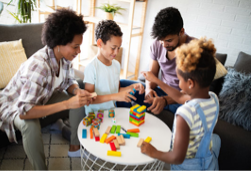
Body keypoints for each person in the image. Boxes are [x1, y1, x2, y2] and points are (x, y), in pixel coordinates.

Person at [0, 8, 93, 171]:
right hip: (14, 104)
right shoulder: (39, 66)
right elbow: (24, 111)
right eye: (75, 46)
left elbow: (68, 81)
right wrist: (66, 105)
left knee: (79, 101)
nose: (79, 51)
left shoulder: (65, 58)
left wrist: (77, 91)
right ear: (59, 43)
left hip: (41, 97)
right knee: (30, 124)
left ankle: (75, 148)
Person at [141, 37, 221, 171]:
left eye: (179, 79)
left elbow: (177, 157)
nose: (178, 83)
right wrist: (157, 81)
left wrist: (153, 152)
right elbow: (179, 96)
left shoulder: (185, 114)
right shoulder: (213, 99)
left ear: (190, 83)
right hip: (207, 161)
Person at [117, 7, 194, 114]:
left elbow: (192, 93)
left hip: (181, 99)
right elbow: (152, 74)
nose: (164, 45)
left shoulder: (195, 50)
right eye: (161, 40)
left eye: (169, 41)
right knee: (122, 85)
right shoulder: (157, 45)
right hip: (161, 91)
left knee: (187, 109)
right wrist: (148, 89)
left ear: (181, 31)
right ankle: (125, 122)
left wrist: (165, 100)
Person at [84, 20, 144, 114]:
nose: (116, 52)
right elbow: (89, 98)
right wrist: (115, 96)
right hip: (95, 116)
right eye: (113, 48)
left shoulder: (116, 65)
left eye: (119, 48)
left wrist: (132, 87)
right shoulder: (92, 68)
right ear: (100, 43)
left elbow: (116, 90)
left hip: (111, 114)